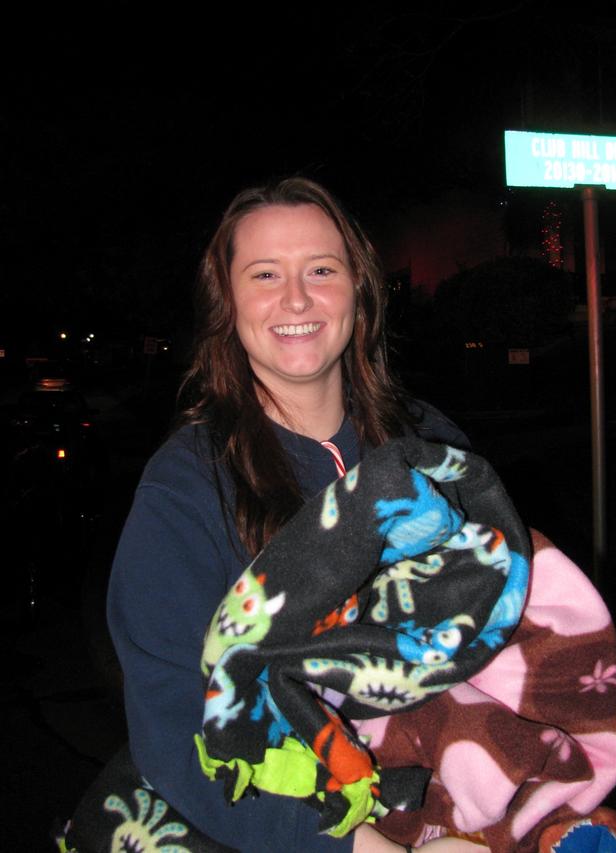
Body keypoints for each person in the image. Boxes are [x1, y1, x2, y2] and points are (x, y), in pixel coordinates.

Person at [106, 177, 469, 852]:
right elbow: (170, 725)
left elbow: (514, 623)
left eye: (321, 270)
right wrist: (356, 845)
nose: (296, 298)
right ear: (228, 303)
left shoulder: (435, 448)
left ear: (359, 292)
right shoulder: (187, 485)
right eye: (265, 273)